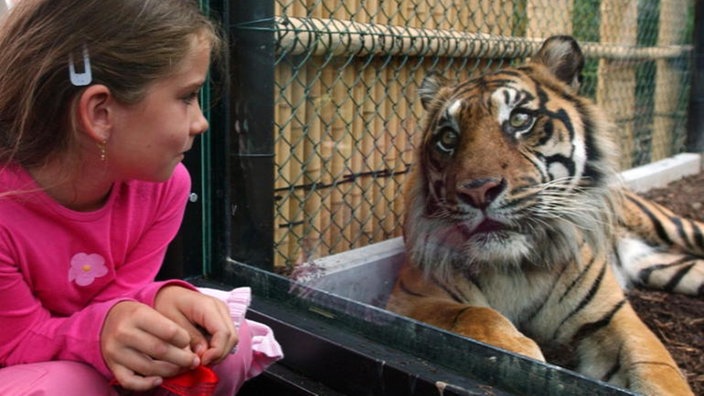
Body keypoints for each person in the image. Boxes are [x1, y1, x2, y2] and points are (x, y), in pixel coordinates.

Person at [0, 0, 282, 394]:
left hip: (81, 347)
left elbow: (121, 296)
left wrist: (160, 298)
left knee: (222, 343)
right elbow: (15, 341)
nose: (201, 122)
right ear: (100, 113)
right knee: (63, 386)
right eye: (186, 97)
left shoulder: (165, 187)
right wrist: (101, 332)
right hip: (22, 365)